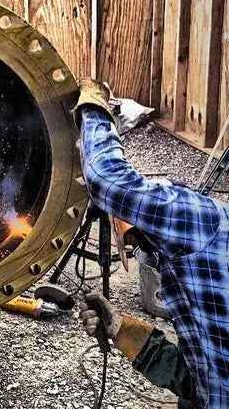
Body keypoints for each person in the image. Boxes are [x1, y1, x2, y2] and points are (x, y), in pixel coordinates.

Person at [73, 78, 229, 409]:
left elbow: (106, 179)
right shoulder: (199, 254)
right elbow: (200, 381)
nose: (128, 246)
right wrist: (120, 330)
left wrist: (94, 108)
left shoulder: (206, 223)